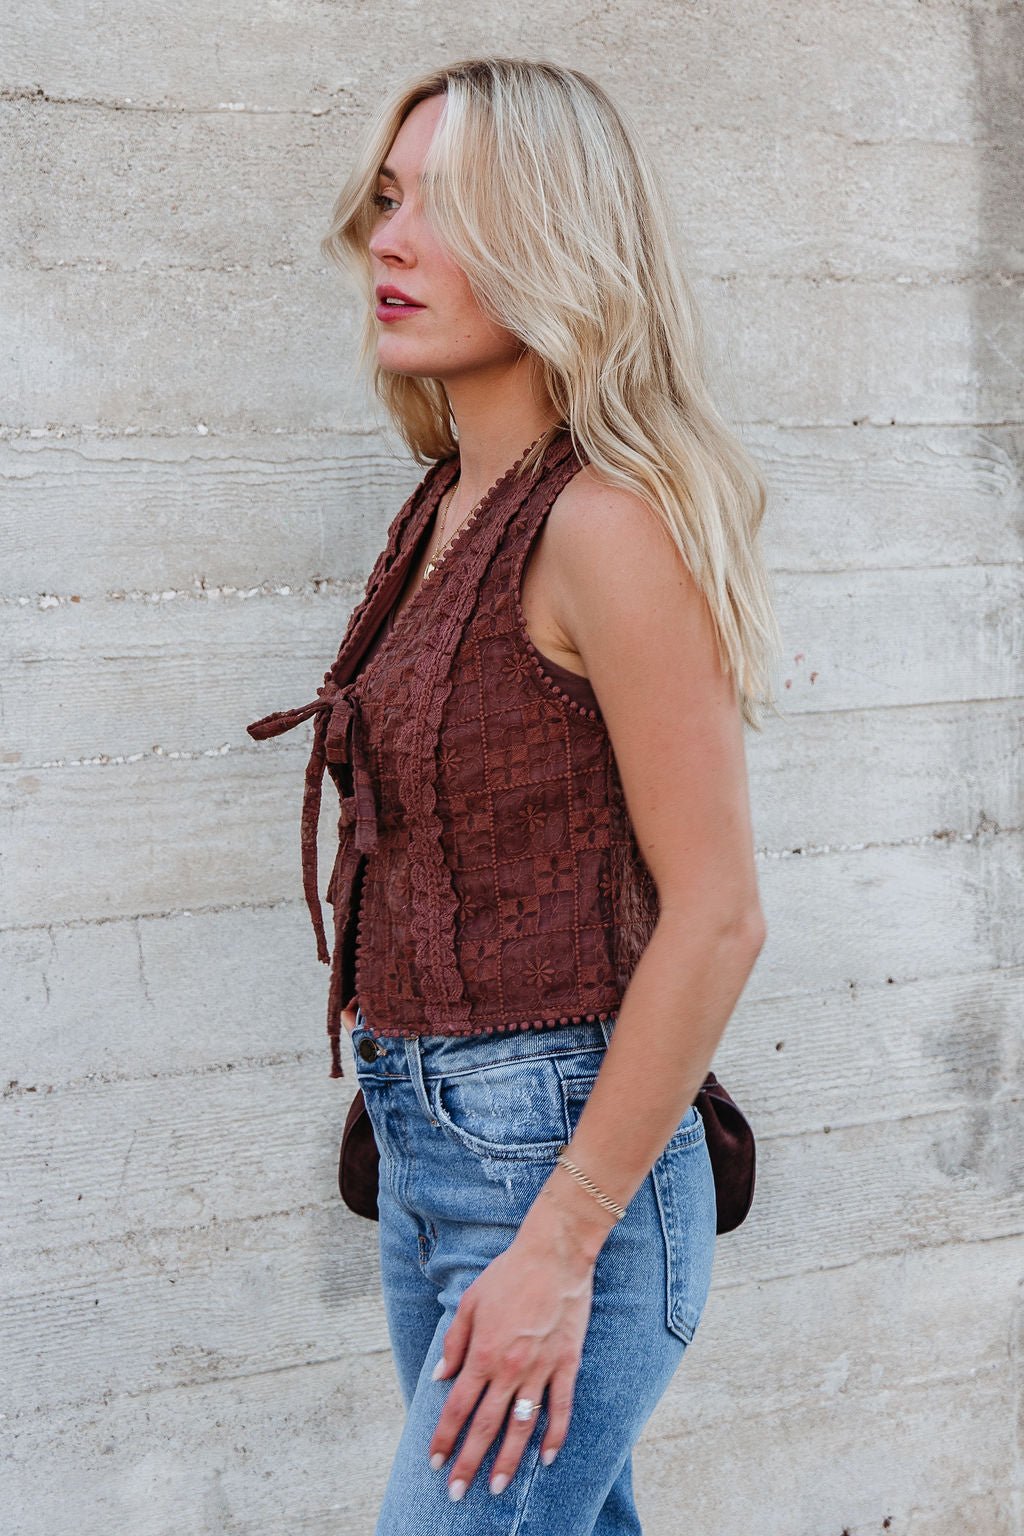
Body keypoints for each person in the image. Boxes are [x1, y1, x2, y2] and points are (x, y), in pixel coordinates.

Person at [253, 55, 782, 1535]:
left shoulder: (604, 524)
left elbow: (719, 917)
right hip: (433, 1155)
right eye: (387, 200)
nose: (392, 241)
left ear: (558, 240)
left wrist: (558, 1243)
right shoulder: (442, 506)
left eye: (449, 208)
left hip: (560, 1183)